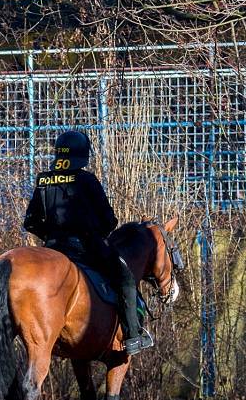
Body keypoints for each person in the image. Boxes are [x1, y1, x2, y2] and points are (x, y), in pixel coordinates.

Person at [23, 131, 151, 356]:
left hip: (52, 247)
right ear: (81, 155)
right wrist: (96, 235)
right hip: (85, 247)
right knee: (126, 279)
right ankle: (132, 336)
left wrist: (50, 236)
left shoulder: (43, 180)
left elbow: (30, 221)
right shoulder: (86, 179)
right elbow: (108, 220)